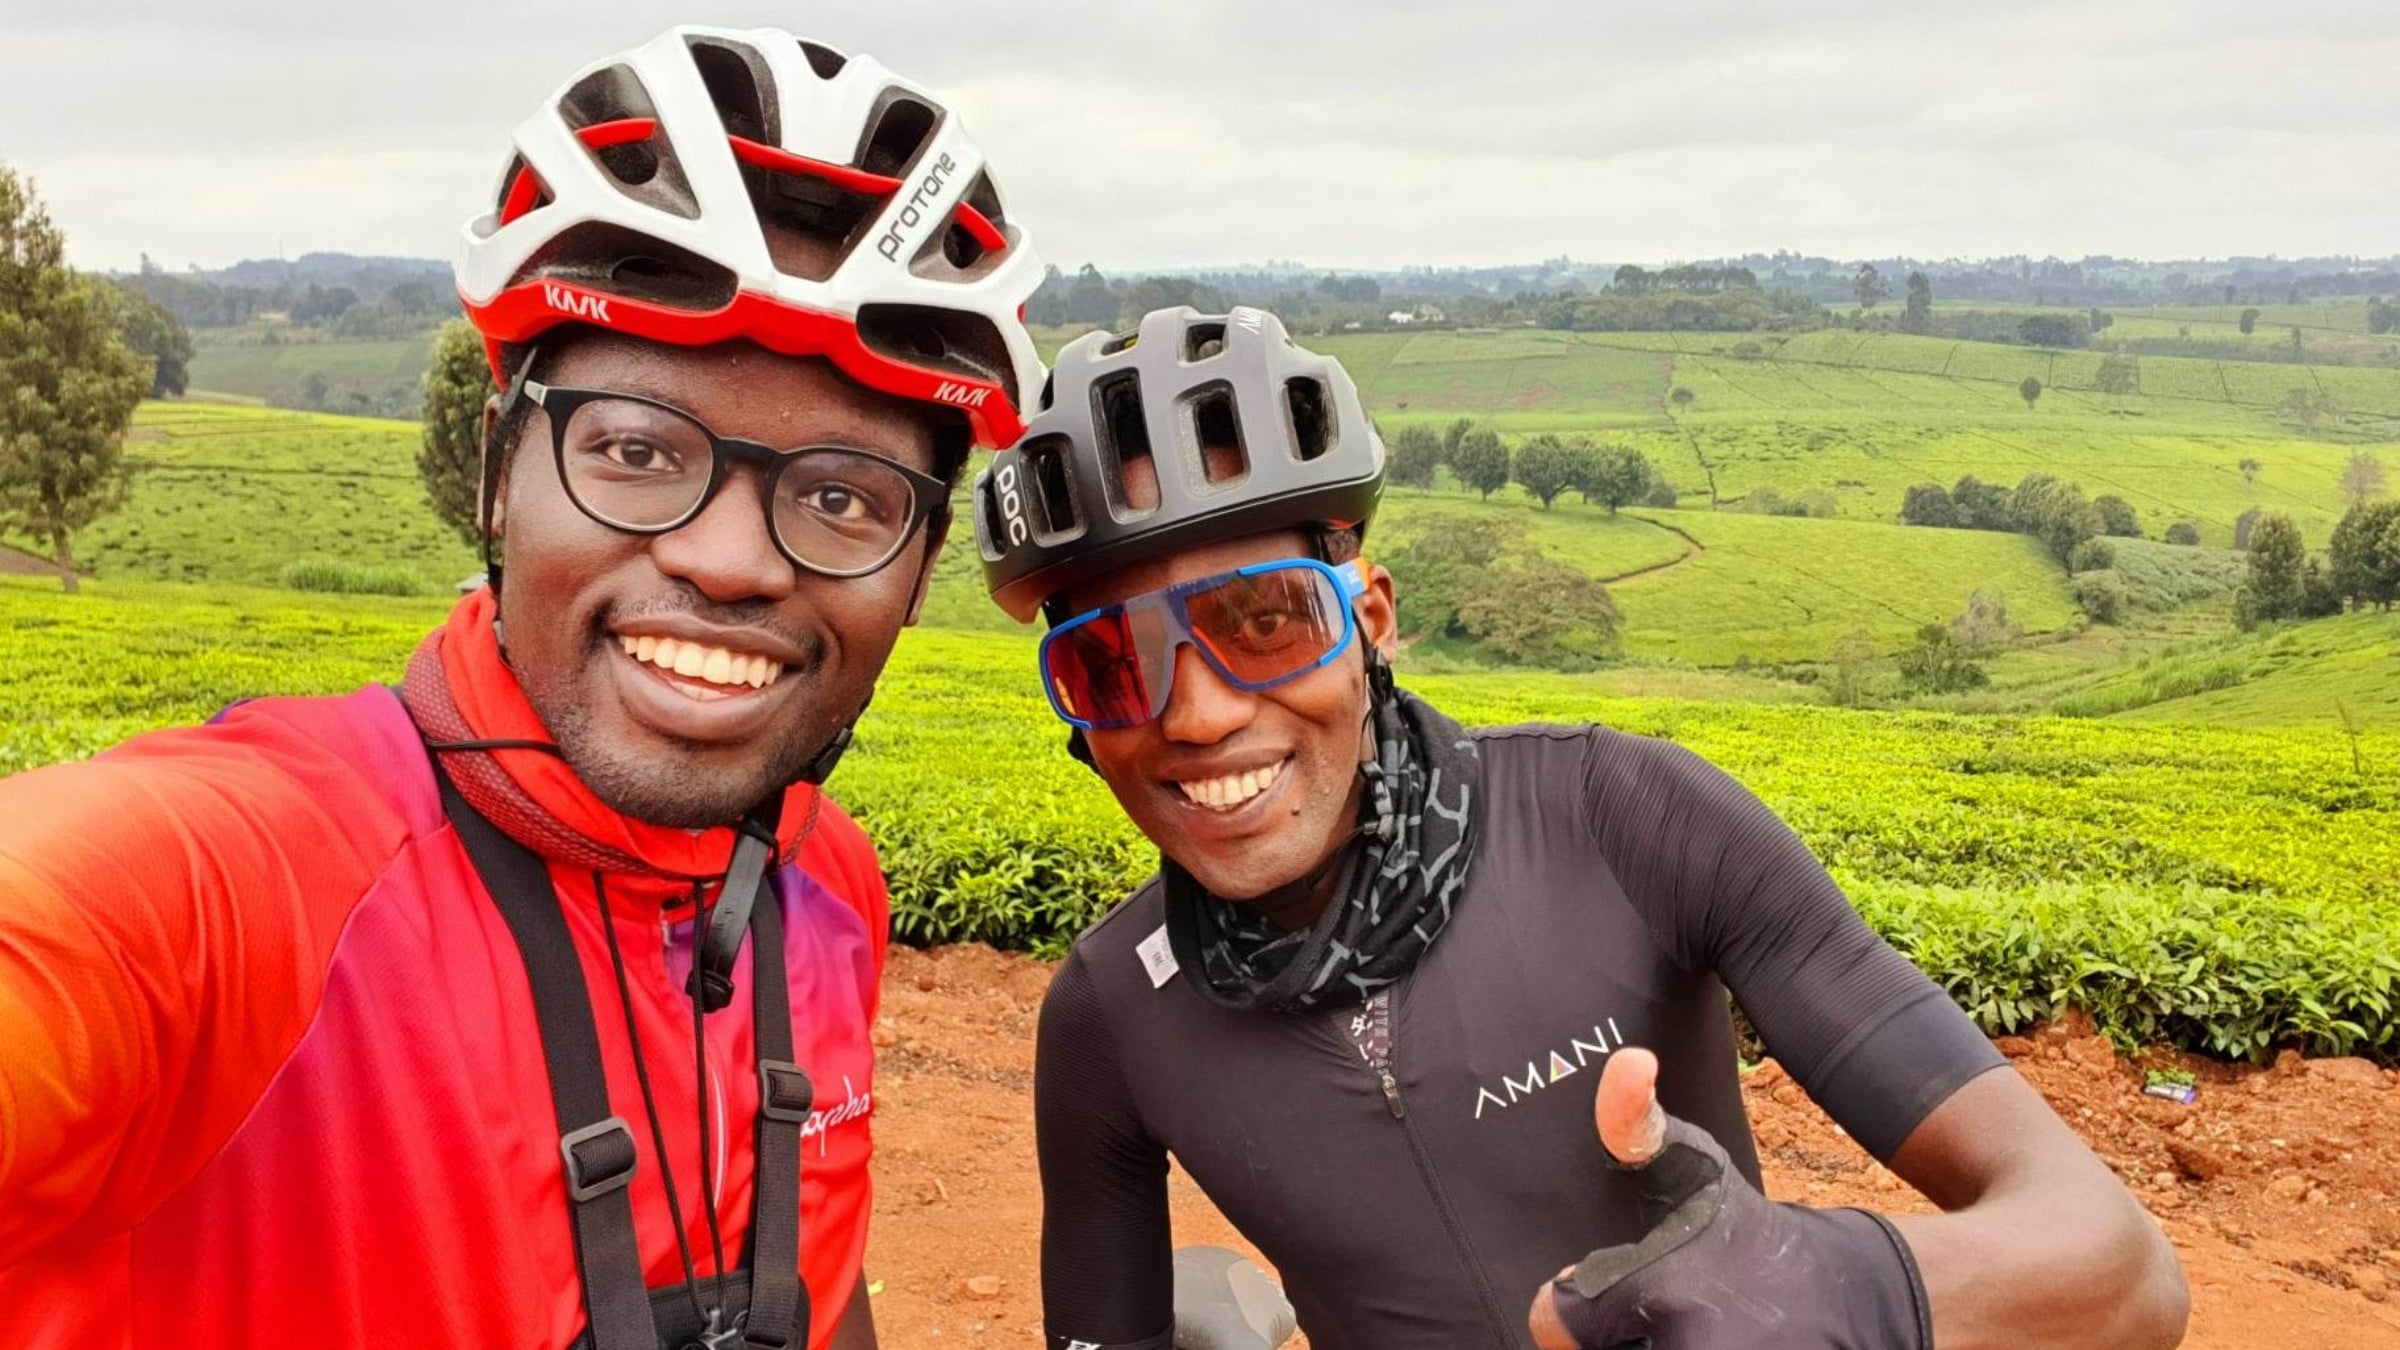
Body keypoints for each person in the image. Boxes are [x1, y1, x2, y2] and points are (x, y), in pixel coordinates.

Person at [0, 26, 1043, 1350]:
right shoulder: (244, 881)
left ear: (921, 562)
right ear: (499, 470)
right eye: (636, 450)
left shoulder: (825, 886)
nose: (729, 562)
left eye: (845, 497)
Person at [975, 306, 2191, 1350]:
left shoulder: (1628, 820)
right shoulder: (1109, 1017)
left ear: (1373, 621)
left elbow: (2123, 1269)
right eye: (1109, 663)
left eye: (1264, 620)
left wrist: (1836, 1289)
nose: (1195, 715)